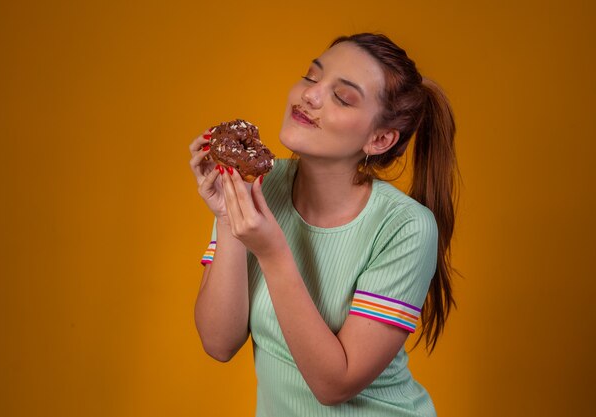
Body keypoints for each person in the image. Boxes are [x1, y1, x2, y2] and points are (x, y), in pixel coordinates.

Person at [189, 32, 460, 417]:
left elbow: (334, 385)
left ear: (380, 139)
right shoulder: (254, 186)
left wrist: (272, 250)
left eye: (342, 97)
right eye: (312, 77)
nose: (310, 96)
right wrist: (229, 220)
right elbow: (218, 343)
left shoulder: (405, 227)